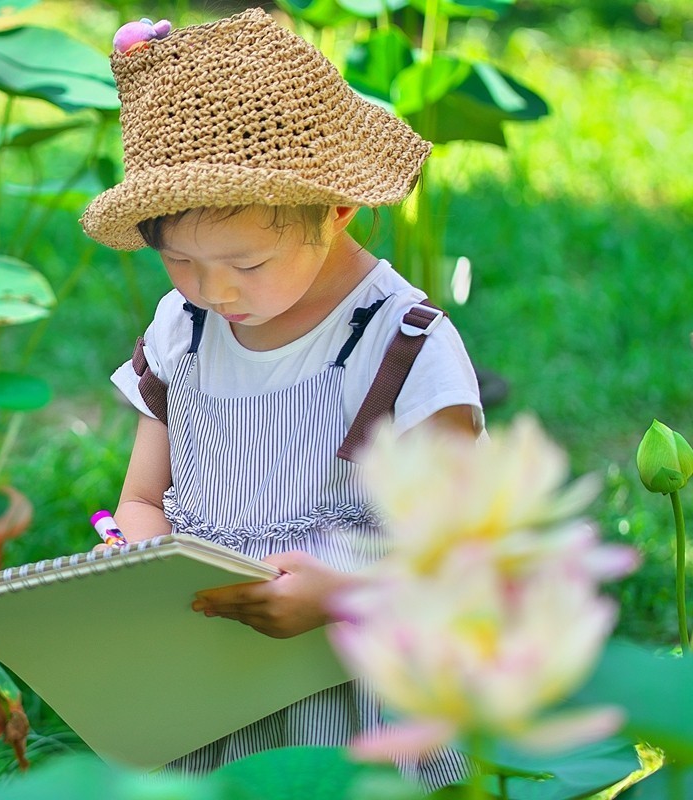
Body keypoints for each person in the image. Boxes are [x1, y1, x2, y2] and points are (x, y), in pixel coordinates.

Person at [79, 7, 484, 786]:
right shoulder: (184, 331)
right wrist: (132, 550)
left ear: (336, 209)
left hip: (356, 688)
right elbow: (141, 498)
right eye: (183, 263)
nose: (214, 290)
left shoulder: (402, 345)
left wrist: (343, 594)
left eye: (247, 263)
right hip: (212, 684)